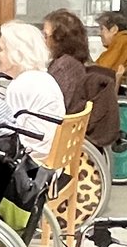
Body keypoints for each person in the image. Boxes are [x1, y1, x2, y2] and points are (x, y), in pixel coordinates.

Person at [43, 9, 120, 149]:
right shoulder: (73, 63)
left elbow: (54, 111)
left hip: (59, 139)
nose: (43, 41)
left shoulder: (64, 69)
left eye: (46, 36)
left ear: (60, 40)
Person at [0, 20, 64, 161]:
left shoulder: (20, 85)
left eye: (2, 50)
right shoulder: (45, 78)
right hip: (50, 155)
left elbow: (6, 131)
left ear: (17, 53)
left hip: (30, 161)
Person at [93, 11, 127, 81]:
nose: (99, 34)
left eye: (102, 29)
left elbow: (100, 71)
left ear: (114, 29)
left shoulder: (122, 42)